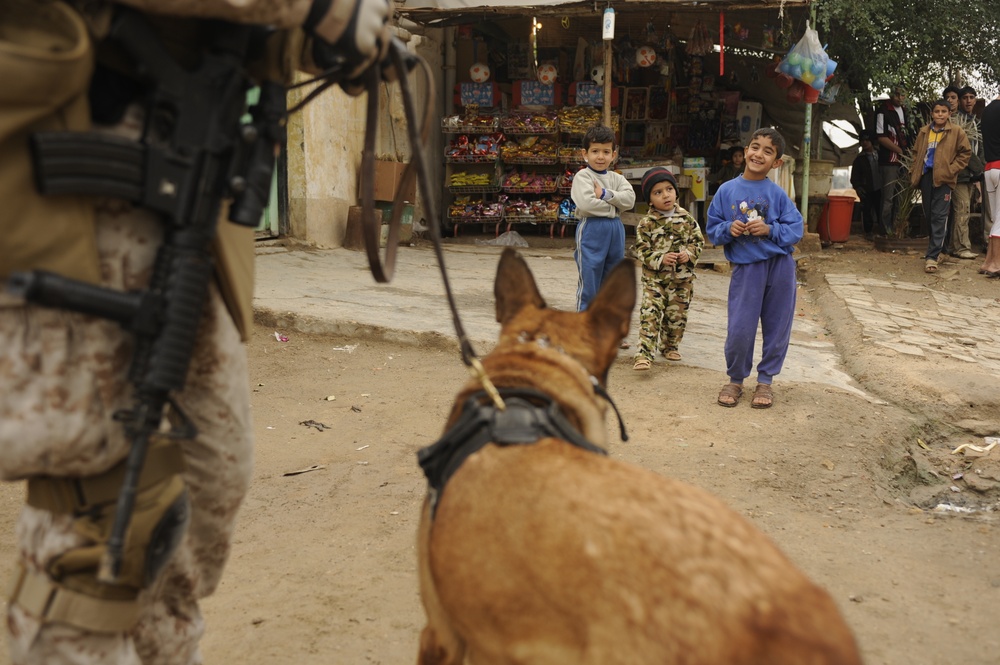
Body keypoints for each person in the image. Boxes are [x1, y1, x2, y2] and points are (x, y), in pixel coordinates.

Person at [0, 1, 391, 664]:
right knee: (99, 509)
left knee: (204, 481)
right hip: (79, 162)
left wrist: (313, 40)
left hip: (191, 174)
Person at [705, 128, 803, 409]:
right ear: (746, 150)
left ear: (776, 163)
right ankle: (735, 379)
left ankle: (766, 381)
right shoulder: (727, 191)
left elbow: (795, 228)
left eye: (768, 151)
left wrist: (770, 229)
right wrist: (729, 228)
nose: (759, 154)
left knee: (777, 326)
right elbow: (713, 229)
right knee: (740, 327)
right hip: (747, 269)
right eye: (755, 147)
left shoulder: (778, 194)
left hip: (780, 267)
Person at [631, 167, 704, 371]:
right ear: (650, 199)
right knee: (650, 314)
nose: (665, 195)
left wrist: (688, 254)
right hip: (655, 280)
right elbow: (641, 250)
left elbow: (698, 242)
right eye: (658, 192)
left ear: (675, 192)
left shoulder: (687, 219)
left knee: (677, 315)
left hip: (682, 280)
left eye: (669, 189)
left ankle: (670, 345)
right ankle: (644, 354)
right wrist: (660, 258)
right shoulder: (647, 223)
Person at [570, 124, 636, 311]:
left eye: (606, 152)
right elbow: (587, 204)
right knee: (590, 276)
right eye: (595, 151)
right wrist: (615, 208)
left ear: (614, 154)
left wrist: (606, 194)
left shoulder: (617, 178)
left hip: (615, 229)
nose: (600, 156)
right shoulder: (583, 177)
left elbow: (630, 200)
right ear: (585, 153)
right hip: (591, 228)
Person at [909, 99, 971, 274]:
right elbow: (916, 153)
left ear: (949, 113)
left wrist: (951, 170)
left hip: (944, 179)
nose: (940, 114)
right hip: (927, 177)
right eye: (937, 111)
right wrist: (915, 170)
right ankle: (941, 250)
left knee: (939, 216)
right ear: (932, 114)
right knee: (929, 215)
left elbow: (965, 153)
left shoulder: (956, 132)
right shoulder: (924, 132)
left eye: (944, 111)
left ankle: (932, 256)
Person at [948, 85, 984, 259]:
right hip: (961, 174)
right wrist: (980, 169)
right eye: (965, 97)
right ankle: (962, 248)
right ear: (960, 101)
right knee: (962, 209)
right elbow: (965, 150)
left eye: (972, 97)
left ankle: (956, 246)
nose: (968, 100)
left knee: (963, 210)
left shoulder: (975, 121)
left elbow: (979, 147)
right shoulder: (957, 121)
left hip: (972, 174)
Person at [875, 85, 912, 237]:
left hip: (904, 161)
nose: (899, 97)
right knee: (888, 198)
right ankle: (885, 231)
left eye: (902, 94)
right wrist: (899, 151)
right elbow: (881, 137)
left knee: (901, 197)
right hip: (889, 161)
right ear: (891, 94)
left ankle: (898, 230)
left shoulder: (906, 111)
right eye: (897, 94)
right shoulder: (883, 110)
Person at [980, 95, 1000, 277]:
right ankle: (995, 263)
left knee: (996, 218)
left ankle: (988, 261)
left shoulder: (988, 110)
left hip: (989, 168)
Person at [850, 133, 883, 240]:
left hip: (880, 188)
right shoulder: (859, 159)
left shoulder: (880, 155)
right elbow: (854, 178)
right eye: (862, 141)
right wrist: (859, 188)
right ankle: (868, 233)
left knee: (881, 210)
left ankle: (883, 232)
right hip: (867, 189)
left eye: (867, 140)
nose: (865, 143)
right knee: (867, 211)